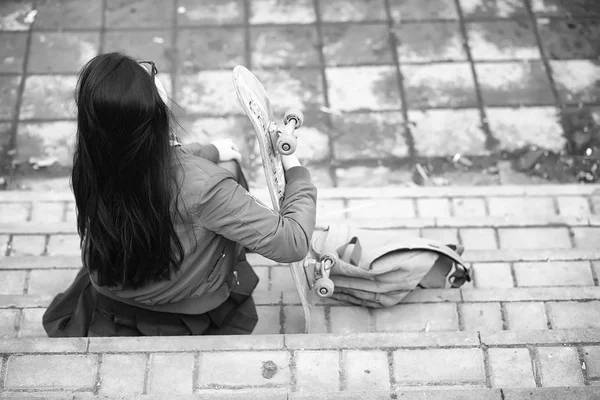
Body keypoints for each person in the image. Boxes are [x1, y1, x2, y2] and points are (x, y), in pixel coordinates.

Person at [42, 52, 317, 336]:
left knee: (227, 164)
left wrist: (210, 150)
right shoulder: (206, 187)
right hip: (183, 305)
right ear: (155, 111)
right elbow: (293, 242)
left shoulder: (90, 157)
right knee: (229, 175)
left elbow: (149, 161)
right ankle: (245, 233)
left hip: (113, 285)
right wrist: (295, 170)